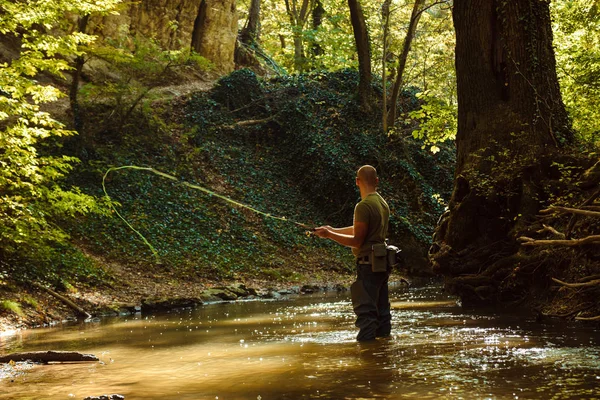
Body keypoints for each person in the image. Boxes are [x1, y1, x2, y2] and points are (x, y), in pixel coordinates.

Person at [314, 165, 391, 341]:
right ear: (377, 181)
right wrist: (332, 229)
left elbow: (357, 240)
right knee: (382, 313)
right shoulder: (381, 203)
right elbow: (362, 229)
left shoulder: (363, 206)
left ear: (357, 182)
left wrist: (329, 235)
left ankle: (367, 359)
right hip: (381, 263)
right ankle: (383, 356)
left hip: (368, 265)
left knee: (366, 315)